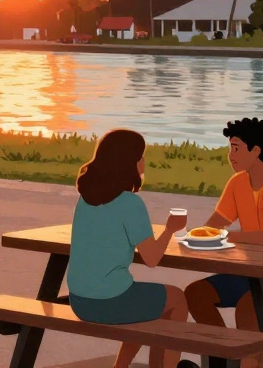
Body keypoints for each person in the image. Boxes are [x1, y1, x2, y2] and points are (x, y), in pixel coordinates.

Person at [184, 118, 263, 368]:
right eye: (229, 148)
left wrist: (228, 236)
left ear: (256, 151)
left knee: (250, 309)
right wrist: (193, 235)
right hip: (250, 273)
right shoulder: (237, 184)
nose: (230, 155)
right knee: (196, 293)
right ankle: (223, 361)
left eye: (236, 148)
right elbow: (214, 225)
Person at [67, 129, 189, 368]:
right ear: (129, 162)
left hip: (79, 301)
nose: (143, 162)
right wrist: (169, 230)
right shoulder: (130, 203)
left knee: (146, 304)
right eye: (140, 156)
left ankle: (120, 366)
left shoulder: (85, 199)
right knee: (176, 300)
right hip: (109, 302)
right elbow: (152, 258)